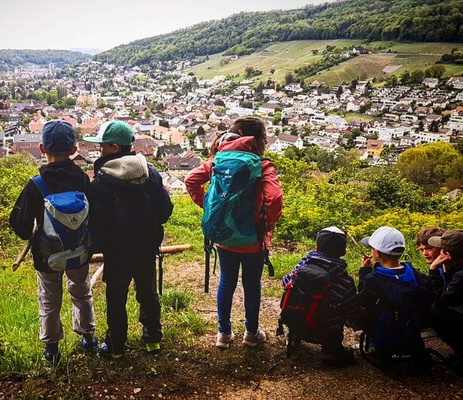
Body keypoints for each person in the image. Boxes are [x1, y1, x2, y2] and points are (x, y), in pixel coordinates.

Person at [185, 117, 283, 349]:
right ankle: (251, 333)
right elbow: (275, 198)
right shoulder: (262, 165)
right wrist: (268, 222)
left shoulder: (218, 160)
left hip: (225, 235)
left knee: (226, 282)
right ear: (257, 140)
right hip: (252, 239)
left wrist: (209, 207)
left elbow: (191, 180)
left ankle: (224, 333)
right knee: (252, 284)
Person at [9, 120, 97, 364]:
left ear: (42, 149)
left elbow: (18, 224)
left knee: (49, 298)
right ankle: (88, 337)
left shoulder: (36, 185)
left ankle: (51, 350)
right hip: (79, 251)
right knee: (82, 291)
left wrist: (35, 234)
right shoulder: (82, 179)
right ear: (74, 150)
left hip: (46, 255)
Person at [86, 120, 173, 358]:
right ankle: (152, 339)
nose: (99, 150)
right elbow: (165, 210)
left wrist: (97, 245)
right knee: (147, 293)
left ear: (114, 147)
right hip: (146, 247)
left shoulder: (102, 180)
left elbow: (96, 220)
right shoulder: (150, 173)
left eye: (102, 145)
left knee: (116, 297)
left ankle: (116, 346)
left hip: (116, 251)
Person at [356, 226, 433, 368]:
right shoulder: (414, 274)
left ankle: (373, 341)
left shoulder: (372, 279)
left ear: (376, 253)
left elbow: (362, 301)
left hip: (384, 331)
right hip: (412, 327)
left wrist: (365, 271)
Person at [280, 227, 358, 362]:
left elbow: (285, 283)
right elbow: (351, 308)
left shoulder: (301, 267)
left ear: (316, 248)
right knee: (340, 310)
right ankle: (331, 350)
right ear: (343, 252)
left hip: (295, 320)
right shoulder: (345, 280)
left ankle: (295, 336)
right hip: (325, 329)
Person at [426, 229, 463, 375]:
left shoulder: (460, 275)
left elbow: (442, 299)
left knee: (434, 313)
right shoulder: (459, 270)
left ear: (448, 254)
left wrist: (433, 270)